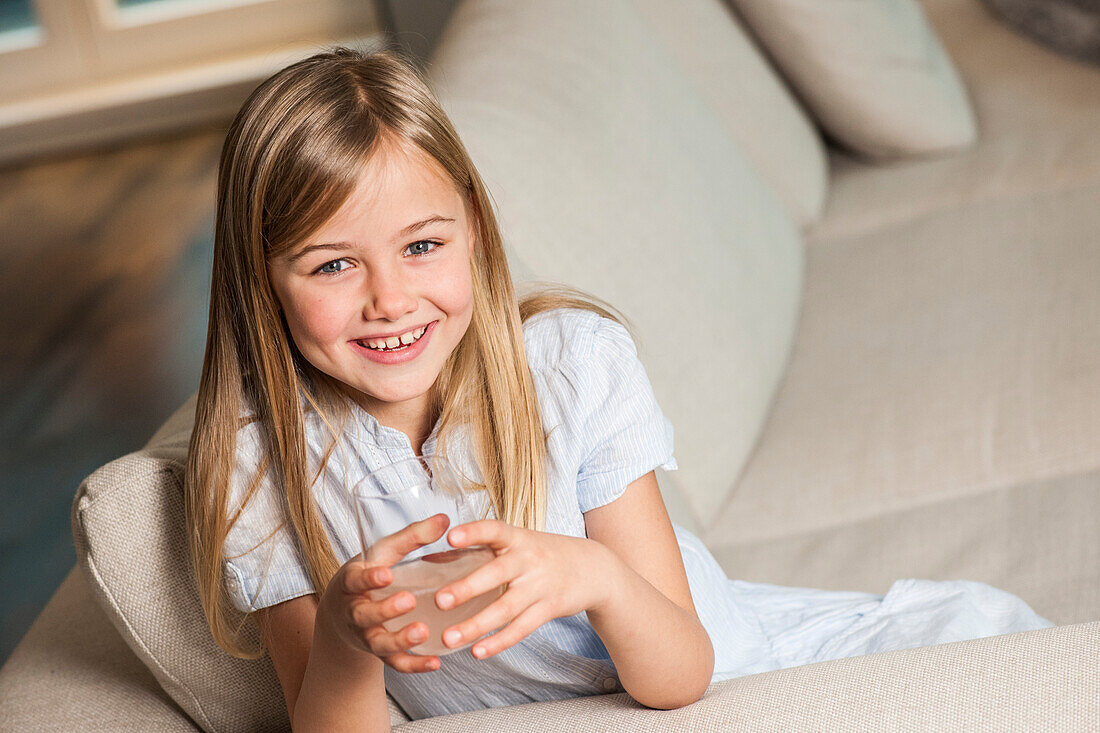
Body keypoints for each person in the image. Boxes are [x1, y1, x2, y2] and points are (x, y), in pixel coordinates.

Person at [183, 47, 1054, 728]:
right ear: (261, 282)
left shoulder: (569, 364)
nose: (391, 300)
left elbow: (683, 672)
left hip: (735, 670)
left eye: (422, 246)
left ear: (476, 234)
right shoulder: (259, 463)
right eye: (334, 263)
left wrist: (592, 575)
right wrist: (343, 633)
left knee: (999, 650)